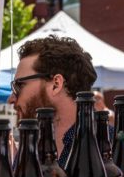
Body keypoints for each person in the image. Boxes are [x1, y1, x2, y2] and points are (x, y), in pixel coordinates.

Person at [8, 35, 98, 165]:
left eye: (19, 85)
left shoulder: (109, 146)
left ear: (56, 84)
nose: (11, 99)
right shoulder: (30, 149)